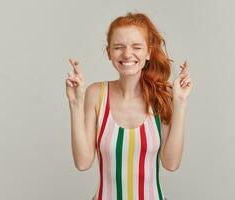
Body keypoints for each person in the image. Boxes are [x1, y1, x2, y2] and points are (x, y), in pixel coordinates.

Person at [65, 12, 193, 200]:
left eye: (136, 47)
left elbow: (171, 163)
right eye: (118, 47)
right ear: (109, 52)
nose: (127, 54)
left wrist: (180, 102)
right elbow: (83, 163)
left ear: (148, 52)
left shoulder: (159, 97)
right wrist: (75, 104)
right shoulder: (96, 94)